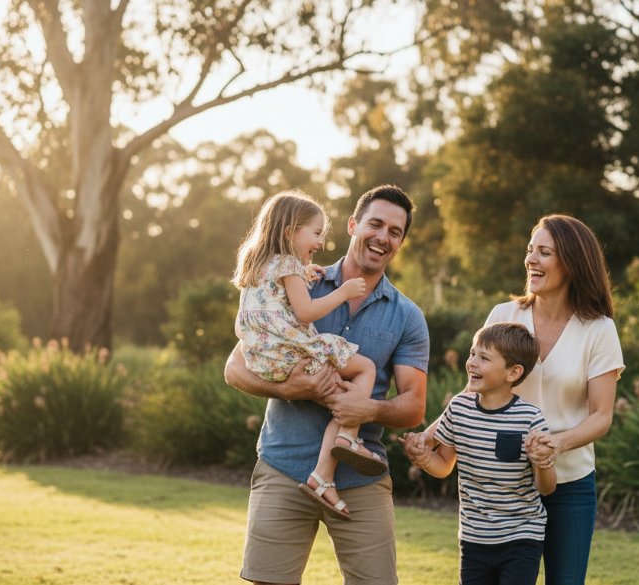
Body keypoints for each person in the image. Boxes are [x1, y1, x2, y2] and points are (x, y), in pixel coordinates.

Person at [224, 184, 429, 585]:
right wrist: (290, 389)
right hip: (282, 467)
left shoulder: (408, 317)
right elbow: (235, 368)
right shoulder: (298, 278)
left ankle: (338, 456)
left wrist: (367, 409)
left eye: (395, 231)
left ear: (401, 241)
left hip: (360, 477)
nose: (383, 237)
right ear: (353, 225)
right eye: (375, 224)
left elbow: (414, 407)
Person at [407, 214, 624, 585]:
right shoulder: (505, 315)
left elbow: (601, 416)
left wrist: (553, 444)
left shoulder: (598, 330)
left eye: (544, 252)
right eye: (530, 250)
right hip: (502, 491)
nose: (531, 260)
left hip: (569, 484)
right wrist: (433, 435)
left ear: (571, 262)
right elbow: (474, 391)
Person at [231, 190, 388, 521]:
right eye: (315, 233)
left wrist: (305, 273)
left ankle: (325, 477)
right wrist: (343, 292)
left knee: (338, 398)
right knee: (364, 372)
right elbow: (304, 311)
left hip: (266, 360)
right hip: (292, 352)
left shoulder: (259, 264)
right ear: (290, 232)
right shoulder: (288, 264)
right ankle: (342, 445)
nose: (319, 242)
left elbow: (279, 298)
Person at [402, 322, 557, 585]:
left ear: (513, 372)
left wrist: (542, 463)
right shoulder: (459, 408)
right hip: (474, 538)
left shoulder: (530, 419)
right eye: (472, 354)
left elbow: (546, 488)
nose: (472, 363)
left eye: (483, 358)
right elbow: (444, 465)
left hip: (521, 536)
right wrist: (424, 458)